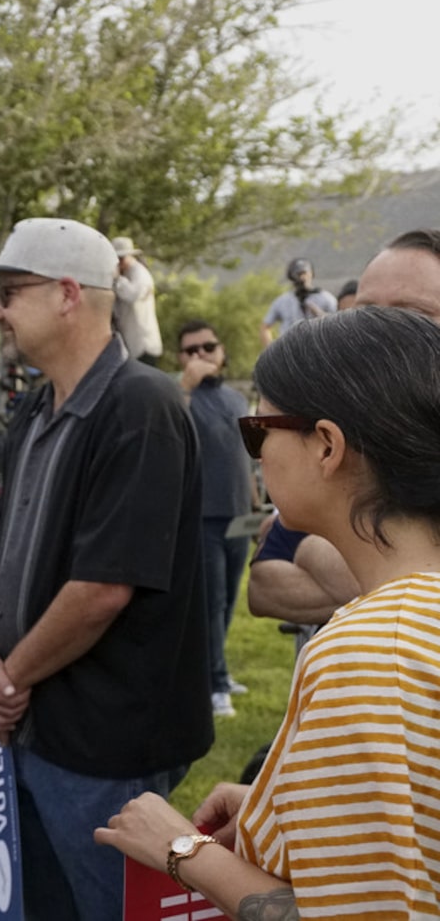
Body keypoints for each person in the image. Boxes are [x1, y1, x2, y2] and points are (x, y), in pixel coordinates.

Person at [96, 306, 440, 919]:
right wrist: (279, 804)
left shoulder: (366, 654)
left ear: (327, 446)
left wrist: (182, 849)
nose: (253, 450)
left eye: (258, 429)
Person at [0, 217, 212, 921]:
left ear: (69, 294)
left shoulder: (141, 405)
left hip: (106, 743)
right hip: (30, 721)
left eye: (12, 291)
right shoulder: (36, 408)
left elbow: (103, 589)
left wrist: (6, 677)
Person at [247, 229, 440, 625]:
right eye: (365, 312)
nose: (379, 333)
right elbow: (264, 583)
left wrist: (320, 549)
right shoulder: (327, 426)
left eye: (413, 315)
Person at [178, 320, 254, 717]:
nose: (201, 355)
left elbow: (244, 457)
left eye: (207, 346)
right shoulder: (179, 395)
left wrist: (256, 506)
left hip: (239, 513)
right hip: (203, 516)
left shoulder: (236, 398)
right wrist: (186, 386)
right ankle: (214, 682)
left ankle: (215, 675)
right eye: (191, 351)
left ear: (221, 349)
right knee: (211, 603)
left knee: (227, 603)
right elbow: (171, 430)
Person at [259, 257, 337, 347]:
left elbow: (337, 324)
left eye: (304, 273)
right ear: (291, 277)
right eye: (297, 274)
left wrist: (321, 315)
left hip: (318, 349)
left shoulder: (326, 298)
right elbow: (265, 327)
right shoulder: (282, 301)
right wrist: (271, 350)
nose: (301, 278)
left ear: (311, 273)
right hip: (289, 350)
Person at [110, 236, 161, 364]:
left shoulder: (140, 274)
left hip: (144, 344)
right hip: (131, 343)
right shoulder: (126, 275)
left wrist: (117, 279)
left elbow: (132, 295)